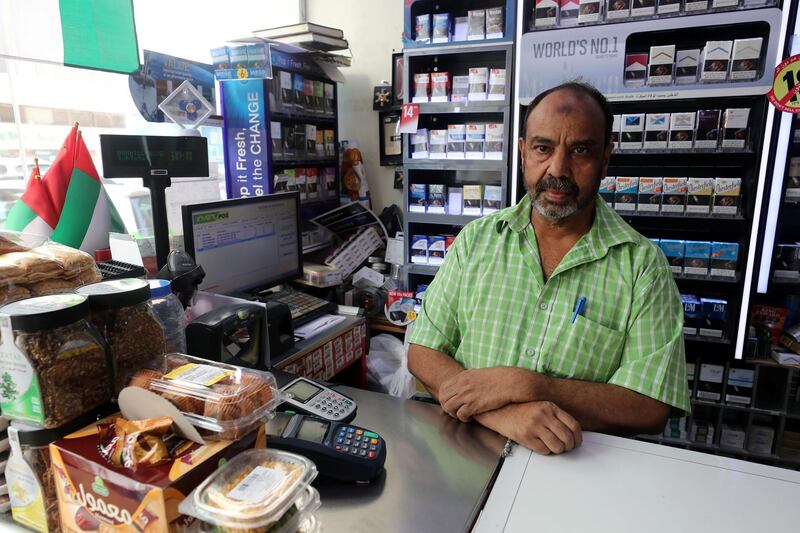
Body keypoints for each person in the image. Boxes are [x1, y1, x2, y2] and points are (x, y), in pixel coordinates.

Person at [407, 81, 690, 456]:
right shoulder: (478, 240)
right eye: (543, 148)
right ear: (523, 152)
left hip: (572, 477)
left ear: (605, 159)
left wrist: (532, 385)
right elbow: (422, 352)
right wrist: (503, 416)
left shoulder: (643, 267)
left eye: (580, 151)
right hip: (462, 461)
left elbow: (651, 407)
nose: (558, 168)